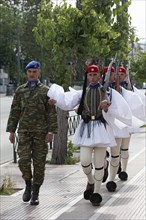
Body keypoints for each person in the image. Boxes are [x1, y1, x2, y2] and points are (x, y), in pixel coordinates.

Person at [47, 64, 131, 206]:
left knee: (98, 164)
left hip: (102, 129)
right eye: (90, 75)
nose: (92, 77)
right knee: (85, 162)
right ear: (87, 76)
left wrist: (107, 107)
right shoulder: (82, 93)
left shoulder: (108, 92)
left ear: (99, 76)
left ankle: (97, 193)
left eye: (95, 75)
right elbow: (68, 103)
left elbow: (119, 111)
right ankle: (91, 182)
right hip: (86, 129)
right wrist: (56, 101)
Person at [6, 61, 58, 205]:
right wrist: (11, 131)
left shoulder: (46, 91)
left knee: (39, 163)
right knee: (23, 161)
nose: (32, 74)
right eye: (30, 72)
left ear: (39, 72)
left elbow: (51, 113)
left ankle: (35, 192)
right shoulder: (20, 91)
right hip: (24, 132)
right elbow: (15, 111)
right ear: (26, 73)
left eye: (35, 71)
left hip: (41, 133)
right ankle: (28, 185)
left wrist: (51, 132)